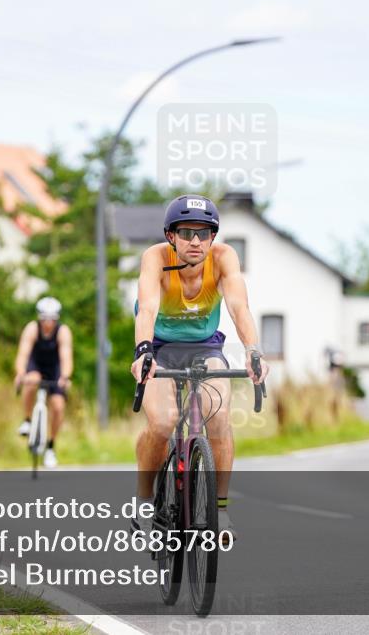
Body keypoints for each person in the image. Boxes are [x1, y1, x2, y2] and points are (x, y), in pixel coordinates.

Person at [130, 194, 270, 542]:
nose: (195, 241)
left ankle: (220, 511)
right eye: (187, 233)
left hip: (205, 347)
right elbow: (147, 308)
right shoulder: (155, 258)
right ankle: (145, 505)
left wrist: (254, 352)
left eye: (203, 233)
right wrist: (143, 352)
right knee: (162, 423)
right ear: (171, 236)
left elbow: (240, 308)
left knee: (219, 417)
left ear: (213, 236)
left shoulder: (224, 259)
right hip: (159, 347)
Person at [14, 296, 73, 469]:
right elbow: (23, 354)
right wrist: (20, 373)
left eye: (52, 319)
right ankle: (27, 419)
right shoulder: (31, 329)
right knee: (32, 381)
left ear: (57, 318)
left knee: (58, 405)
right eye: (45, 318)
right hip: (36, 365)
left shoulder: (63, 331)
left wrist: (65, 377)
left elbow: (66, 357)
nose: (48, 323)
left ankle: (51, 447)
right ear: (39, 318)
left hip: (55, 368)